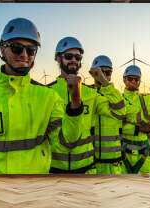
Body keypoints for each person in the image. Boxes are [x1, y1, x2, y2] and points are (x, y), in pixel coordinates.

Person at [0, 18, 84, 174]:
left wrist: (76, 103)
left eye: (31, 50)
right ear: (3, 49)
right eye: (17, 48)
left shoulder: (48, 98)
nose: (24, 54)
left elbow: (66, 143)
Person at [47, 37, 126, 174]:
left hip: (87, 168)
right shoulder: (48, 92)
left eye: (78, 57)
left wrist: (104, 81)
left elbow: (119, 112)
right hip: (55, 168)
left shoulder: (91, 93)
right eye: (68, 56)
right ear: (58, 59)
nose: (74, 60)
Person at [90, 55, 126, 174]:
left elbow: (121, 112)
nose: (104, 75)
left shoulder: (115, 95)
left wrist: (105, 83)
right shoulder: (87, 94)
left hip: (113, 160)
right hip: (92, 161)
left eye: (108, 72)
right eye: (101, 72)